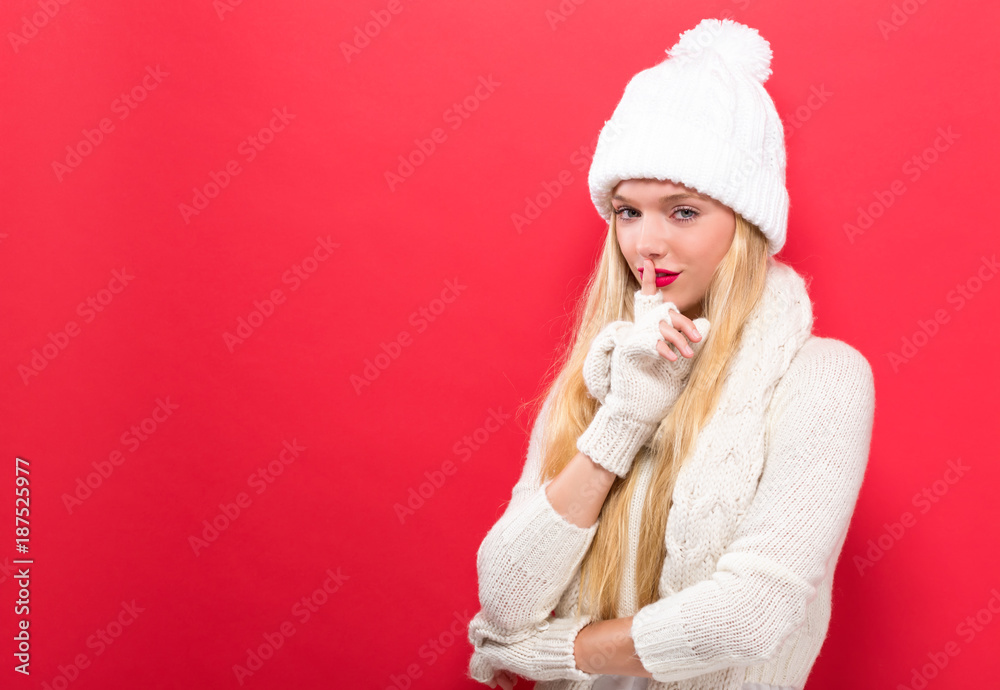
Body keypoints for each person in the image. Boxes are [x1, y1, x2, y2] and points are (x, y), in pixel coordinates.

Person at [466, 17, 876, 690]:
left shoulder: (824, 379)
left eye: (682, 212)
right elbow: (506, 602)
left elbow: (749, 613)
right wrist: (625, 416)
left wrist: (553, 654)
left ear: (744, 225)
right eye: (628, 211)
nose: (645, 244)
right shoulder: (597, 376)